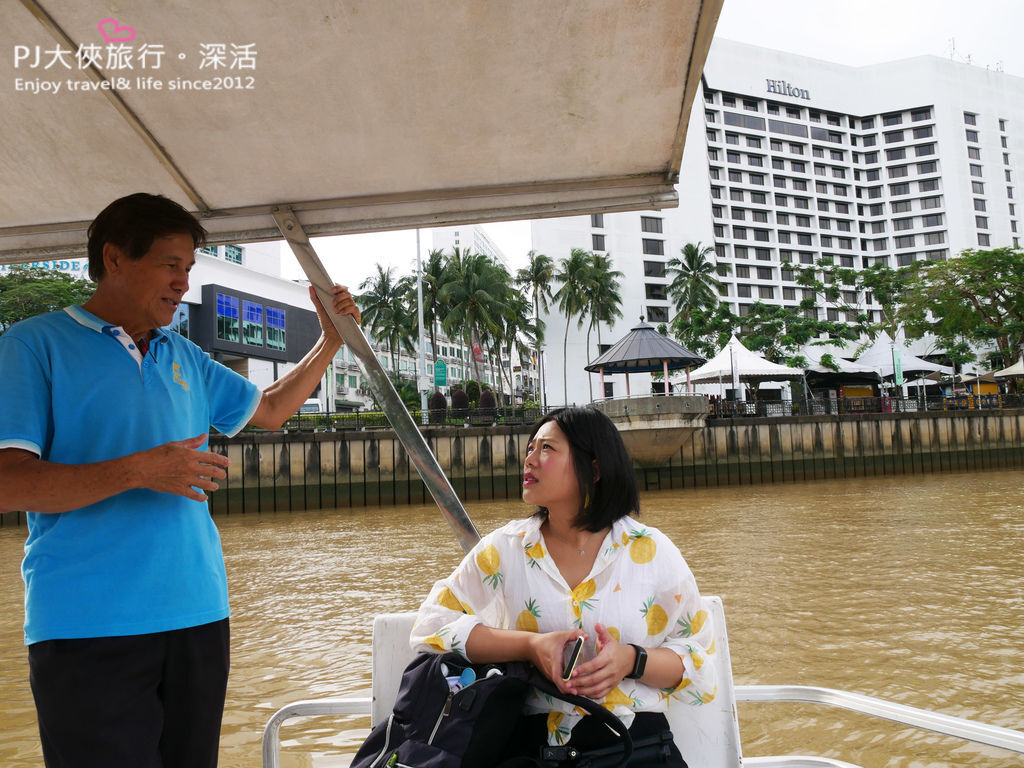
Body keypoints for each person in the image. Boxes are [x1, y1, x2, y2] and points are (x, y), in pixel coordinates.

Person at [0, 193, 361, 768]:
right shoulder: (32, 346)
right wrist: (142, 469)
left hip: (197, 615)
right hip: (85, 624)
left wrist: (330, 340)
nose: (183, 283)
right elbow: (9, 482)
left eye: (190, 269)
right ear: (114, 258)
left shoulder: (184, 354)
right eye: (171, 265)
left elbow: (269, 409)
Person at [411, 407, 716, 766]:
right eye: (530, 448)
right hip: (535, 748)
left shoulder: (651, 551)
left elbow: (697, 660)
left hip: (637, 746)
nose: (530, 460)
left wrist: (630, 661)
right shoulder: (505, 549)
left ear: (595, 469)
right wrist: (530, 647)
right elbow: (432, 626)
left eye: (547, 449)